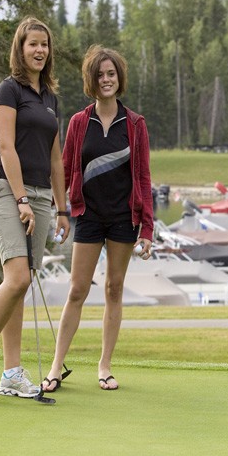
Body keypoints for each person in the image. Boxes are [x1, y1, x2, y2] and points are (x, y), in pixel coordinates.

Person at [0, 17, 71, 402]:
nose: (39, 51)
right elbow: (6, 148)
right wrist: (21, 199)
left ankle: (11, 373)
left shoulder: (50, 99)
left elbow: (56, 159)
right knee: (17, 279)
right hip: (7, 190)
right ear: (20, 49)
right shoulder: (7, 91)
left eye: (44, 45)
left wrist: (62, 209)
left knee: (20, 284)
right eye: (32, 45)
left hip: (43, 196)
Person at [41, 45, 153, 393]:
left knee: (113, 289)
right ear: (91, 79)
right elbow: (65, 169)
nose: (106, 80)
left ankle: (104, 366)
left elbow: (145, 179)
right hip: (88, 217)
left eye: (111, 74)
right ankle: (56, 367)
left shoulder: (134, 124)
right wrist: (61, 210)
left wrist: (147, 228)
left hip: (123, 219)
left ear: (119, 79)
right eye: (100, 74)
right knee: (77, 290)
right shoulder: (78, 122)